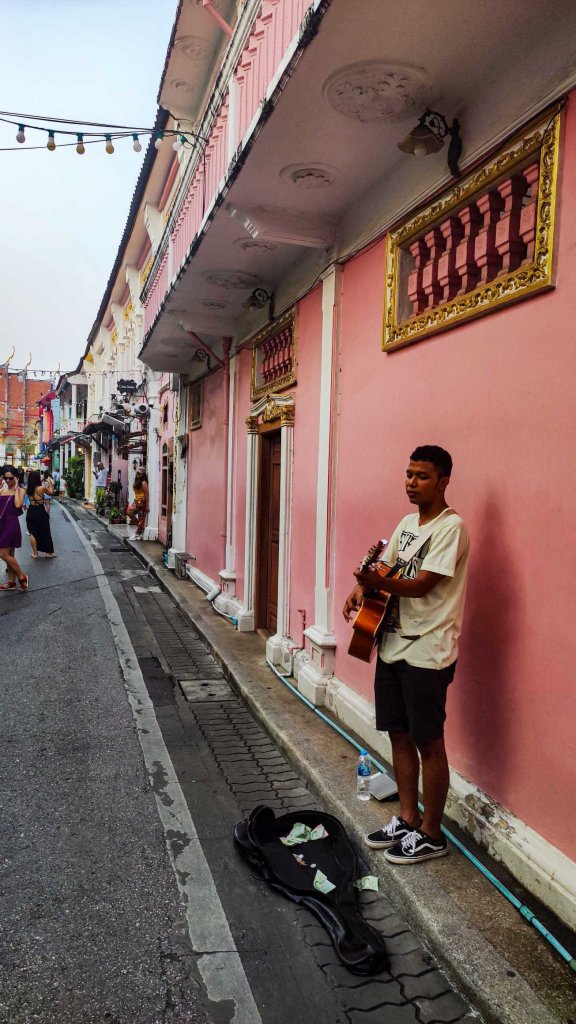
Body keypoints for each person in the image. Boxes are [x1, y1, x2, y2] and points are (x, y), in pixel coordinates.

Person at [342, 445, 469, 865]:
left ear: (444, 481)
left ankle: (432, 834)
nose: (411, 483)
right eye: (409, 474)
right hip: (392, 643)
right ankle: (408, 818)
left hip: (428, 651)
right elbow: (388, 569)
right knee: (398, 734)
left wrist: (372, 578)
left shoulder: (452, 529)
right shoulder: (406, 524)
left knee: (428, 741)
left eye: (422, 476)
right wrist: (362, 588)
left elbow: (422, 584)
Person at [0, 468, 28, 590]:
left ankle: (22, 577)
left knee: (3, 553)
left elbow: (17, 504)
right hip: (1, 524)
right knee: (9, 554)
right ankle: (11, 582)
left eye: (11, 478)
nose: (8, 480)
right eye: (5, 478)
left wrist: (16, 488)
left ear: (16, 477)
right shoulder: (1, 490)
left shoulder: (21, 490)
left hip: (11, 525)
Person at [26, 470, 56, 559]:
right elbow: (51, 492)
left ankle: (35, 554)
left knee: (32, 532)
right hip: (40, 510)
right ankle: (49, 553)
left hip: (31, 510)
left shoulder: (28, 488)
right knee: (45, 531)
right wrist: (50, 483)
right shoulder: (41, 488)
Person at [127, 468, 149, 540]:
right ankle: (140, 527)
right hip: (136, 501)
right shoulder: (137, 482)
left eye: (139, 473)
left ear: (143, 474)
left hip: (142, 502)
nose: (137, 475)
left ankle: (137, 534)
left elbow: (147, 494)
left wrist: (147, 506)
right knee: (129, 512)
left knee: (141, 518)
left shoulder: (143, 483)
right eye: (137, 473)